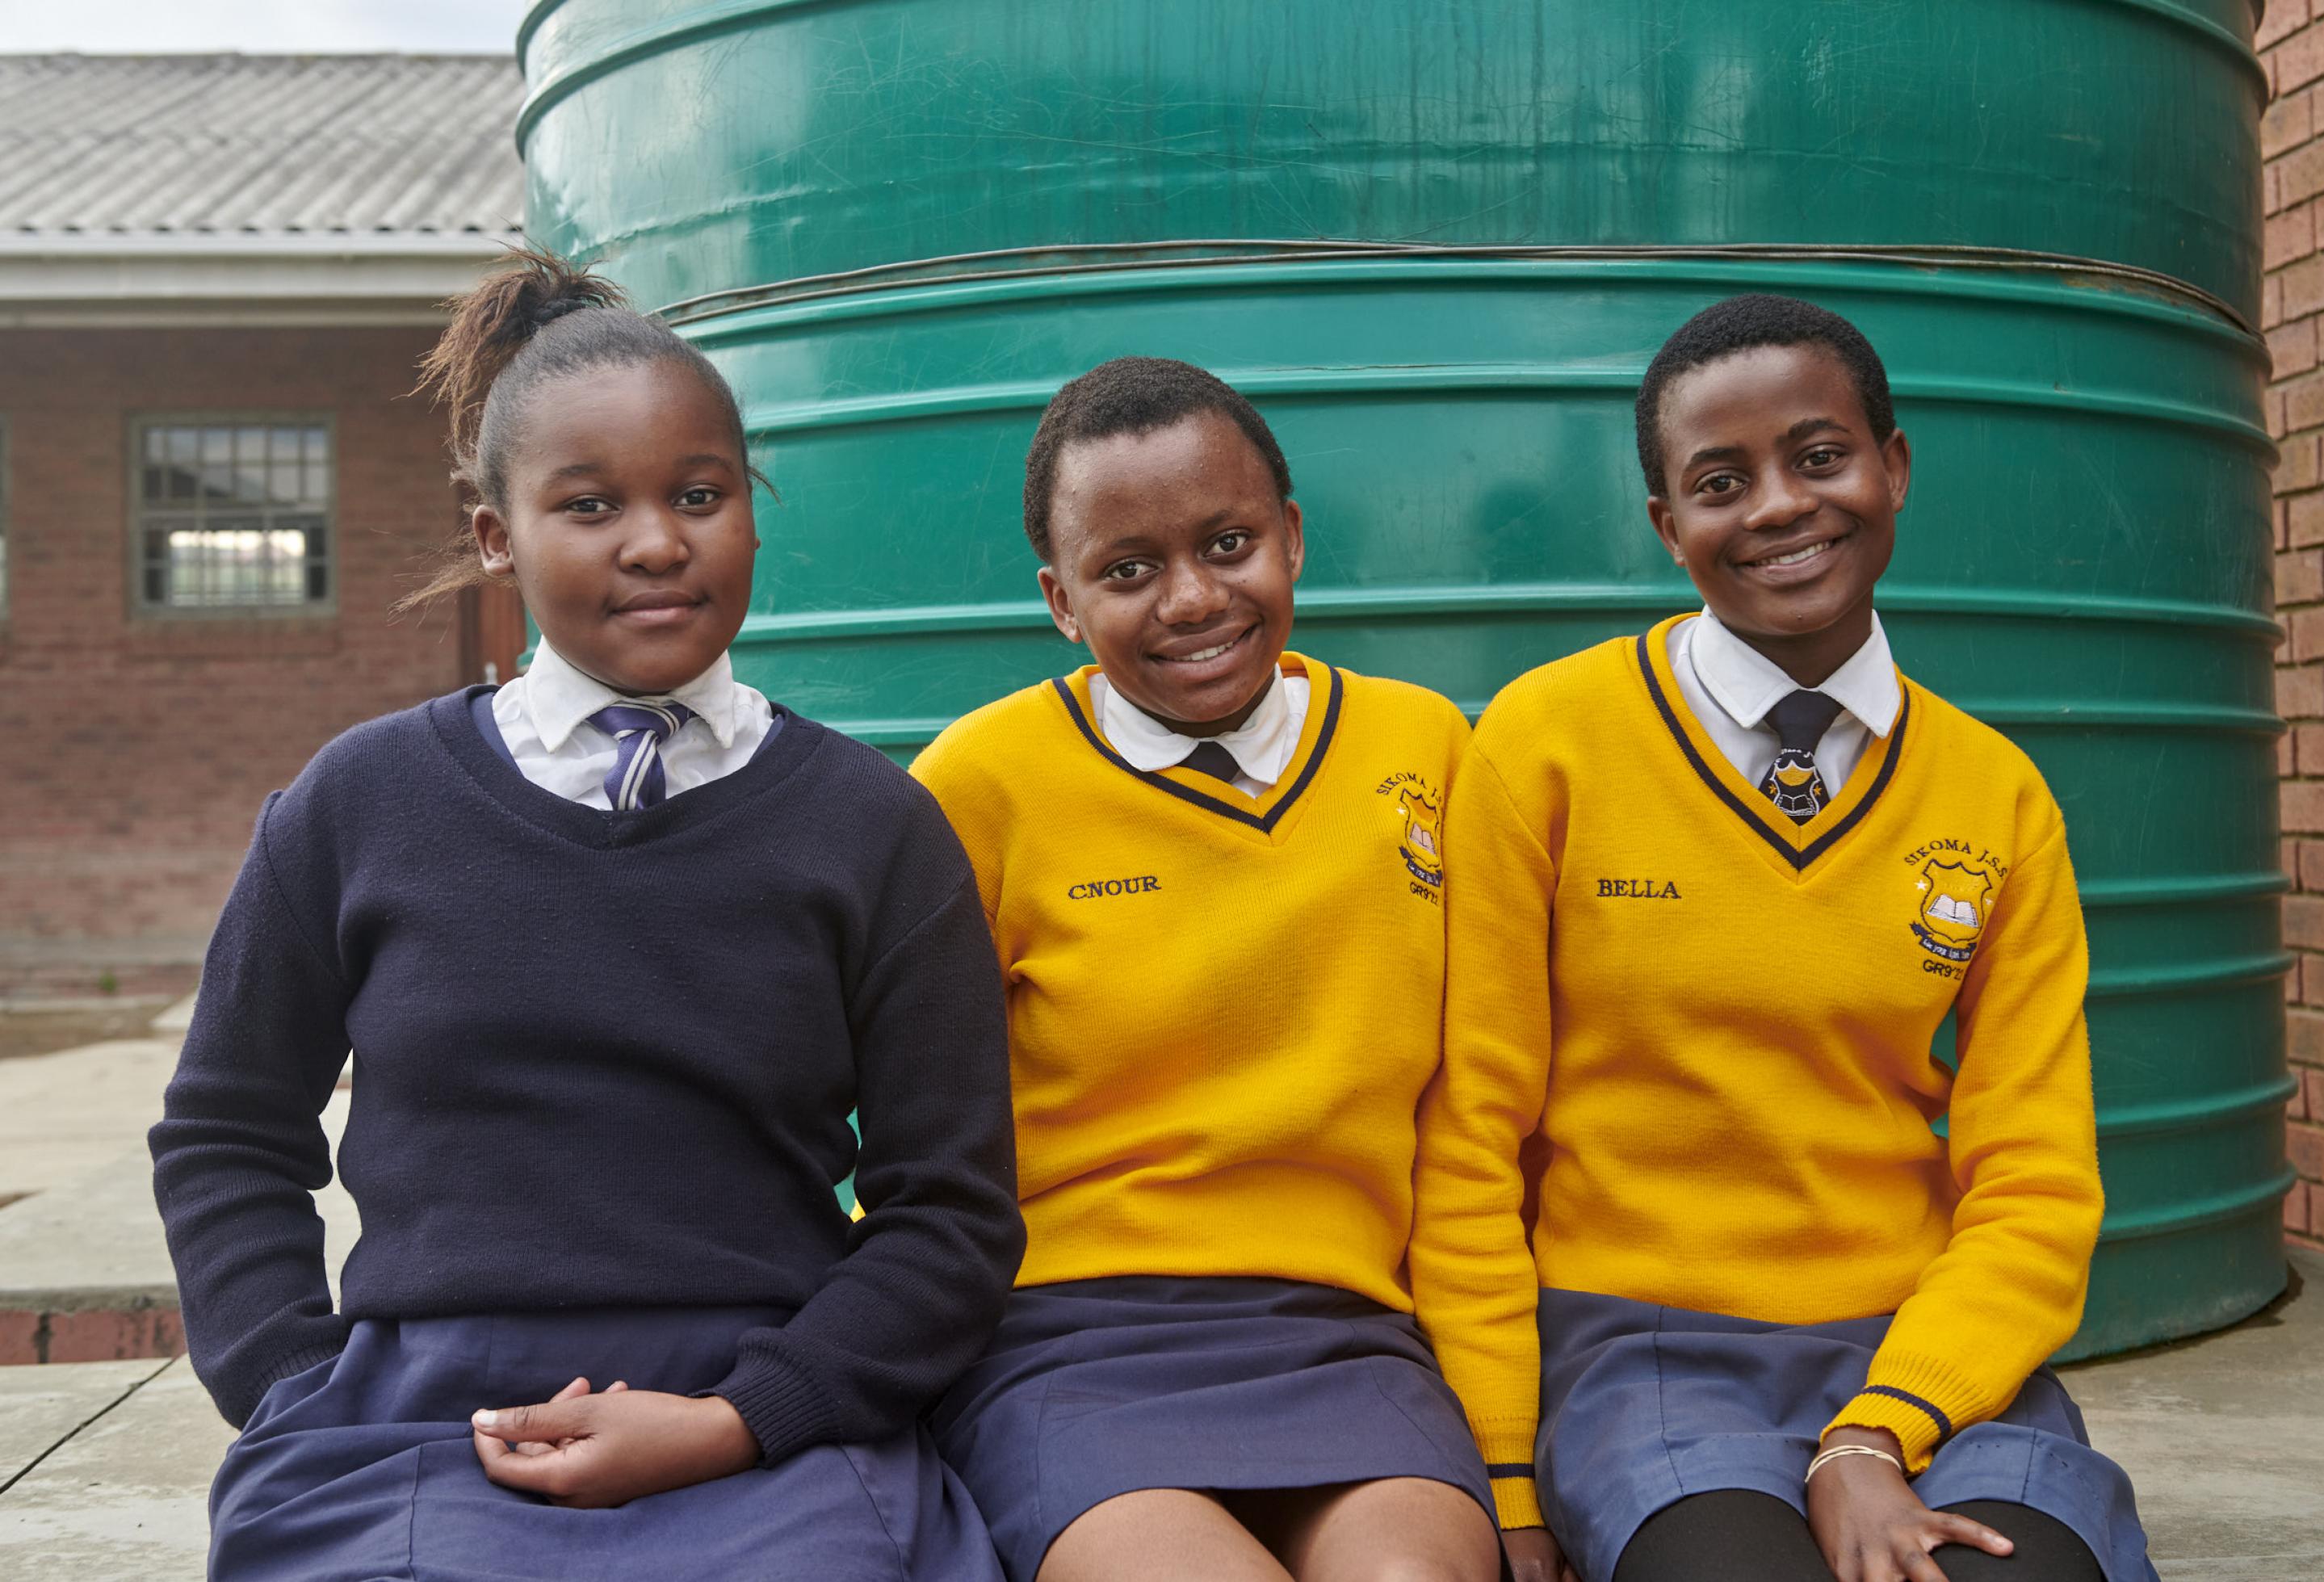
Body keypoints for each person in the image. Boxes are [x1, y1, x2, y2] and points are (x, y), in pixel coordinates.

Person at [149, 246, 1022, 1580]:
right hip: (416, 1421)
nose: (658, 541)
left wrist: (749, 1415)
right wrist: (290, 1384)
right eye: (590, 504)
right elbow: (224, 1127)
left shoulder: (874, 831)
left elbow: (951, 1213)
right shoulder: (358, 805)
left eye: (699, 494)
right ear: (497, 535)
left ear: (750, 513)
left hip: (763, 1416)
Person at [1410, 295, 2156, 1582]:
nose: (1776, 506)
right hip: (1642, 1349)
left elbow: (2034, 1183)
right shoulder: (1546, 745)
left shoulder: (1998, 797)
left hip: (1915, 1343)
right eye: (1719, 480)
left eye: (1819, 456)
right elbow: (1470, 1135)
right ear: (1667, 526)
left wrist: (1881, 1429)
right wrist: (1508, 1482)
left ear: (1893, 466)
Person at [911, 357, 1499, 1582]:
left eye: (1228, 542)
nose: (1189, 598)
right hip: (1066, 1339)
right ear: (1061, 602)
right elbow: (898, 1125)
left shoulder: (1427, 749)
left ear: (1290, 538)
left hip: (1348, 1332)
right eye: (1126, 570)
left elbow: (1481, 1107)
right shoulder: (979, 787)